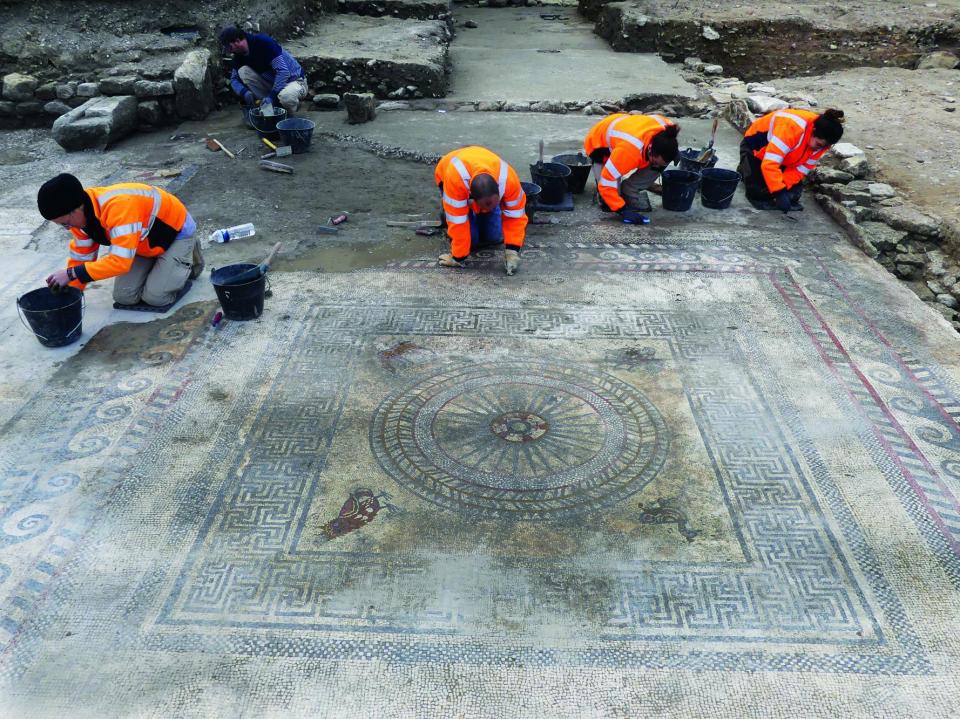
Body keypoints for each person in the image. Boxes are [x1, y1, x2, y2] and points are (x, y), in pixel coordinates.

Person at [38, 173, 202, 308]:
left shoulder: (119, 207)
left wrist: (70, 274)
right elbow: (82, 257)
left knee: (156, 298)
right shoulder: (79, 217)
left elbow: (120, 262)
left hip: (175, 234)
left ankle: (189, 256)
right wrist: (71, 294)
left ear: (77, 208)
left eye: (65, 223)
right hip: (142, 242)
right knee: (125, 296)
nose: (67, 228)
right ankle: (162, 265)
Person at [434, 146, 528, 276]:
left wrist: (512, 250)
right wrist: (458, 257)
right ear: (472, 197)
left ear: (499, 191)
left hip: (483, 186)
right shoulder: (455, 180)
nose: (489, 209)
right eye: (484, 207)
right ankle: (446, 211)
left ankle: (483, 211)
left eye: (494, 205)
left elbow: (516, 215)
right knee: (471, 241)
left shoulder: (509, 181)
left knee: (494, 237)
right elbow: (458, 221)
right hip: (448, 174)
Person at [738, 108, 845, 212]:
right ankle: (746, 167)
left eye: (824, 147)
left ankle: (749, 173)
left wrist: (783, 187)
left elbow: (802, 169)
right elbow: (770, 163)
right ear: (813, 131)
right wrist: (778, 192)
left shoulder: (821, 143)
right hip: (756, 150)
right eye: (819, 145)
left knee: (792, 194)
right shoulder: (792, 128)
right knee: (758, 193)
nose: (820, 149)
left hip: (785, 157)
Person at [583, 113, 680, 224]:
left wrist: (673, 154)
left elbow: (666, 151)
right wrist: (623, 210)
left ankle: (629, 190)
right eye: (655, 162)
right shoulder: (629, 151)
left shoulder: (667, 130)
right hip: (599, 144)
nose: (656, 167)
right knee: (608, 203)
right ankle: (615, 194)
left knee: (660, 164)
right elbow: (607, 181)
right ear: (650, 149)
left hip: (625, 128)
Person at [219, 25, 308, 115]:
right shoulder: (239, 55)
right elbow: (234, 79)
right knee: (243, 71)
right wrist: (244, 92)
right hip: (274, 84)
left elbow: (283, 72)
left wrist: (272, 96)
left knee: (286, 97)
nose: (229, 51)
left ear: (237, 41)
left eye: (229, 47)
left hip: (294, 81)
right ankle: (271, 106)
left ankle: (288, 112)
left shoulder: (264, 43)